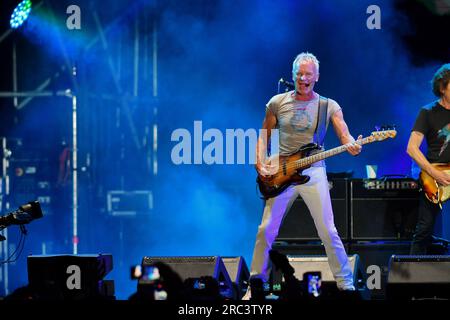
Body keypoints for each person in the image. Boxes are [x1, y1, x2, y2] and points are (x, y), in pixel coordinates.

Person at [243, 52, 362, 300]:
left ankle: (346, 284)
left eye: (308, 74)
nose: (303, 78)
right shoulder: (276, 102)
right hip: (282, 172)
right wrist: (259, 162)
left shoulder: (327, 105)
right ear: (293, 75)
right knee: (266, 229)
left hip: (314, 171)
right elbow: (263, 135)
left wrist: (352, 144)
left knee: (328, 230)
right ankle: (254, 285)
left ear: (317, 77)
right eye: (299, 73)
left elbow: (344, 134)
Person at [407, 63, 450, 255]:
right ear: (442, 87)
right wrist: (434, 173)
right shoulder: (428, 112)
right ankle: (410, 280)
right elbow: (411, 148)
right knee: (424, 229)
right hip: (434, 178)